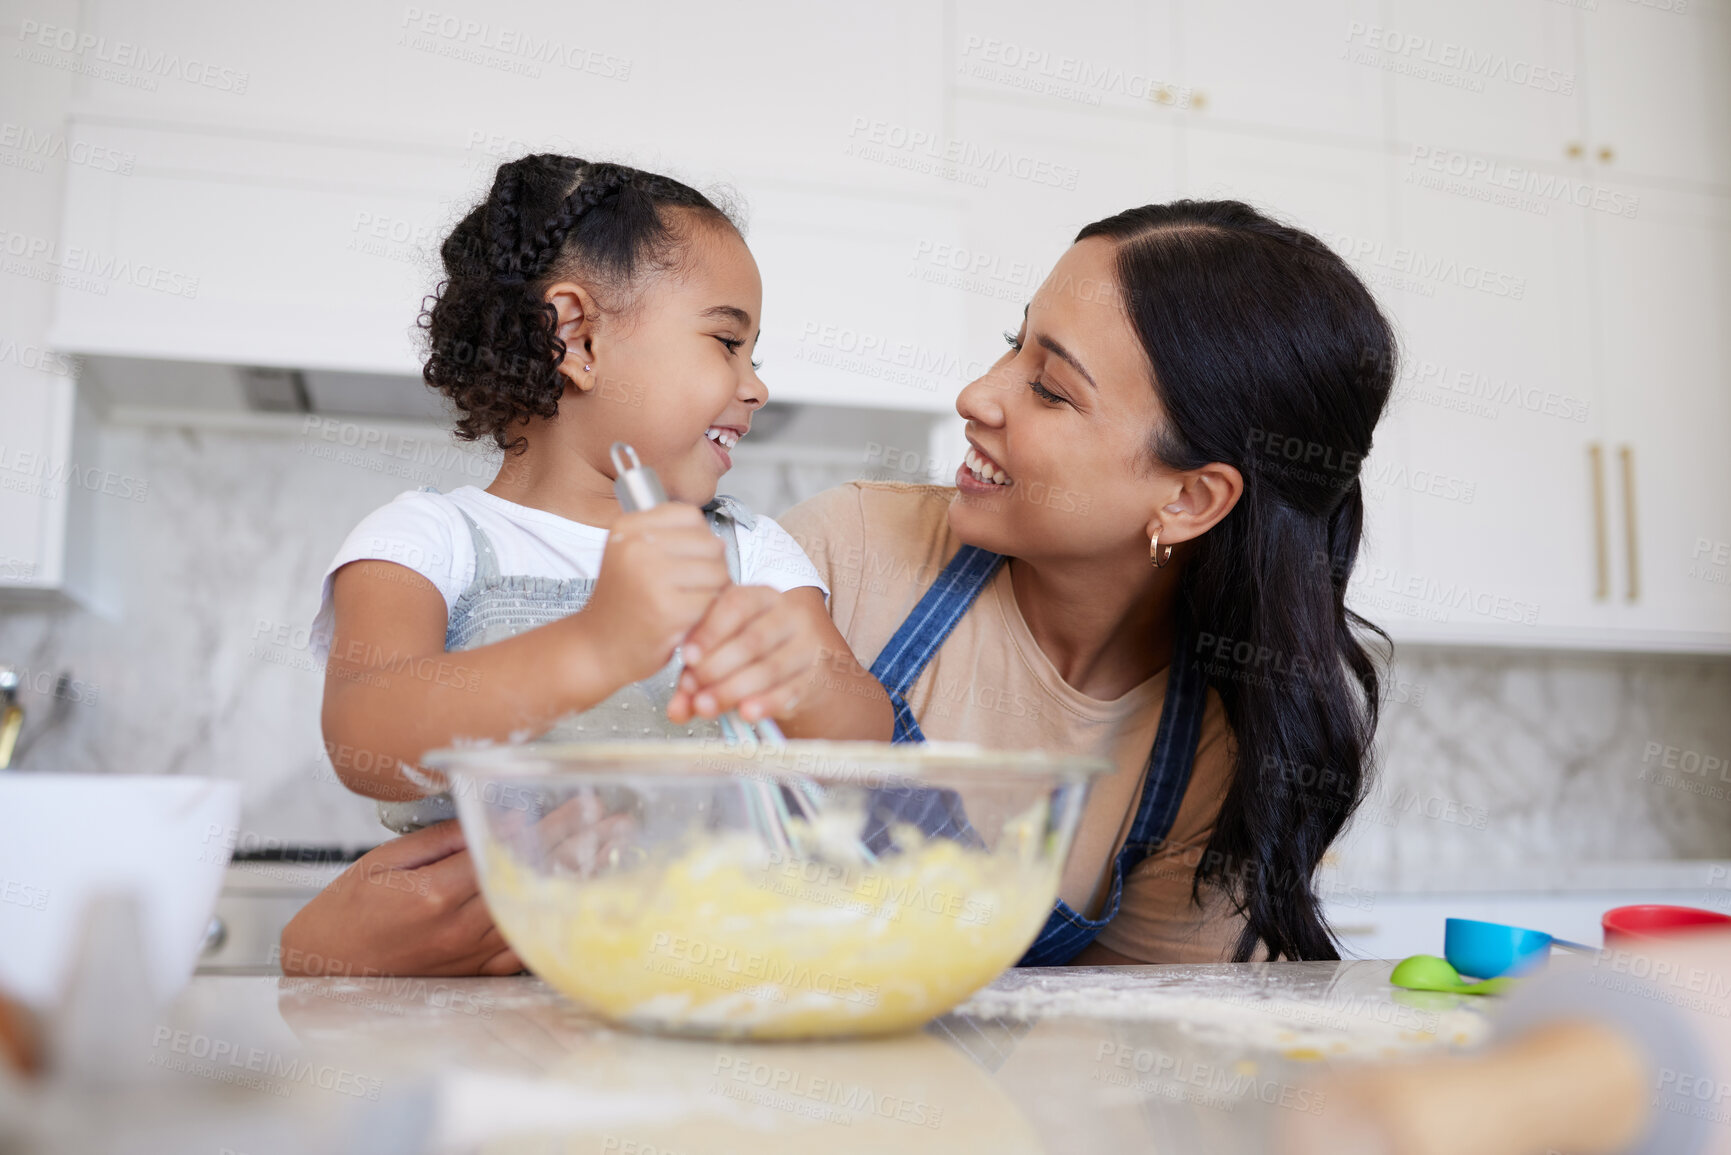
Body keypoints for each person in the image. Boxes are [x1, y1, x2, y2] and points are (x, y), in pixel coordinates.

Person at [286, 198, 1397, 971]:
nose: (975, 393)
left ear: (1192, 499)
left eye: (1050, 389)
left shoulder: (1215, 747)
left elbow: (1126, 1050)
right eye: (1011, 346)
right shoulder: (841, 549)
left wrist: (802, 679)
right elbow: (376, 743)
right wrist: (320, 955)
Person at [307, 154, 892, 832]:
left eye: (752, 354)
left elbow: (863, 748)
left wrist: (801, 676)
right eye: (727, 341)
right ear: (577, 338)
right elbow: (366, 739)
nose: (756, 386)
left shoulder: (750, 552)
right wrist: (596, 645)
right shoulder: (426, 539)